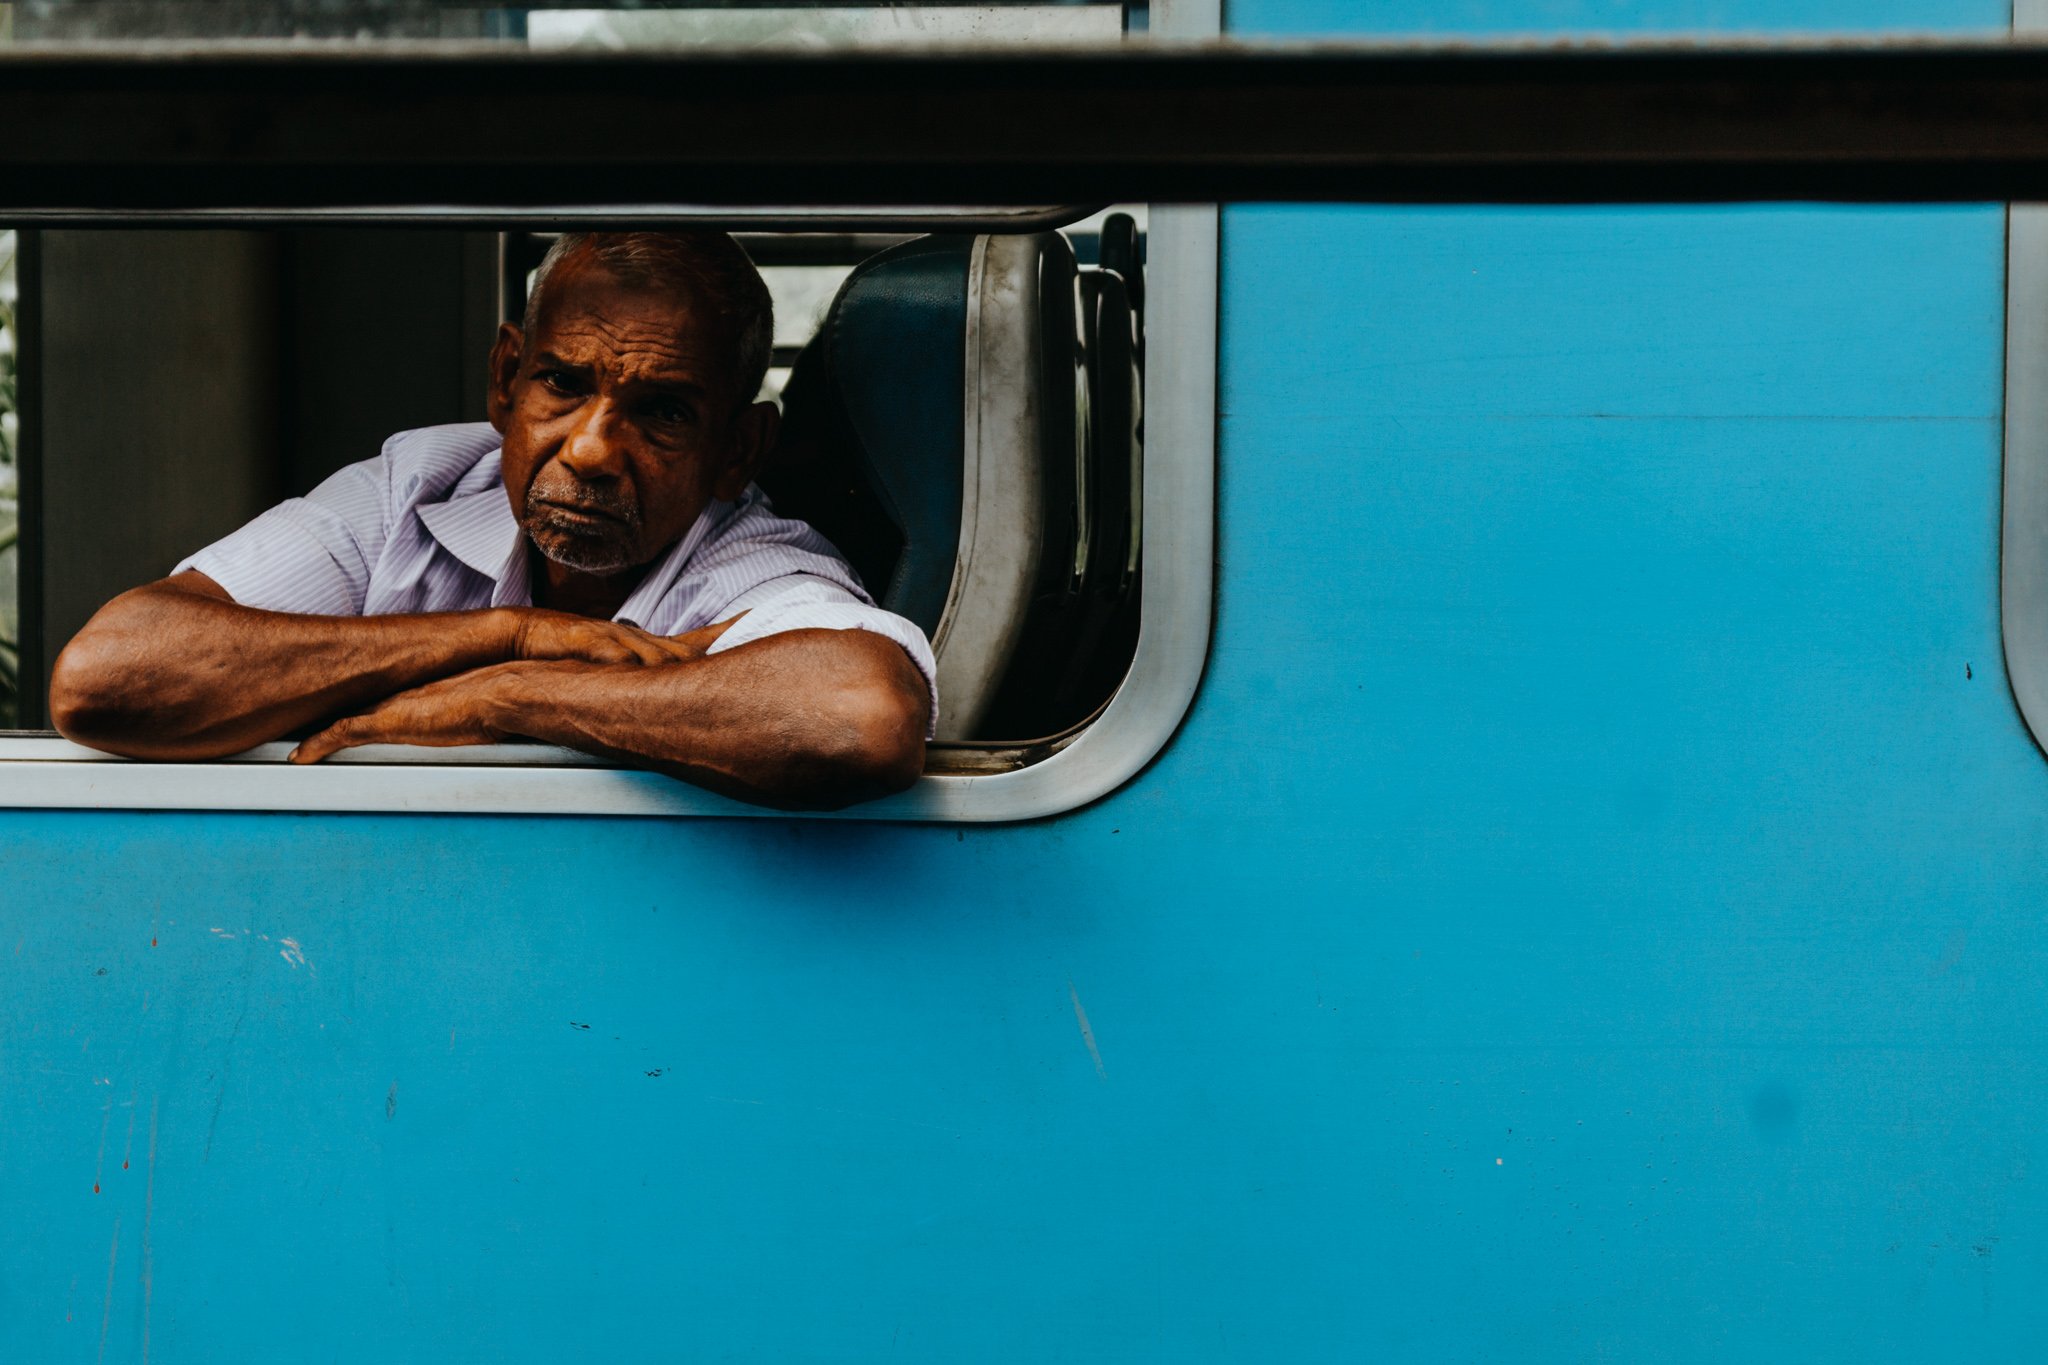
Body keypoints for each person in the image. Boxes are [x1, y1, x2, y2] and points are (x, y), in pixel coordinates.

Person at [47, 231, 934, 810]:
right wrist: (509, 634)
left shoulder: (749, 556)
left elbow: (858, 714)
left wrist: (510, 696)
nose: (591, 450)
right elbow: (107, 677)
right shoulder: (417, 485)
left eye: (663, 411)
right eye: (562, 383)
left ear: (739, 450)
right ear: (506, 378)